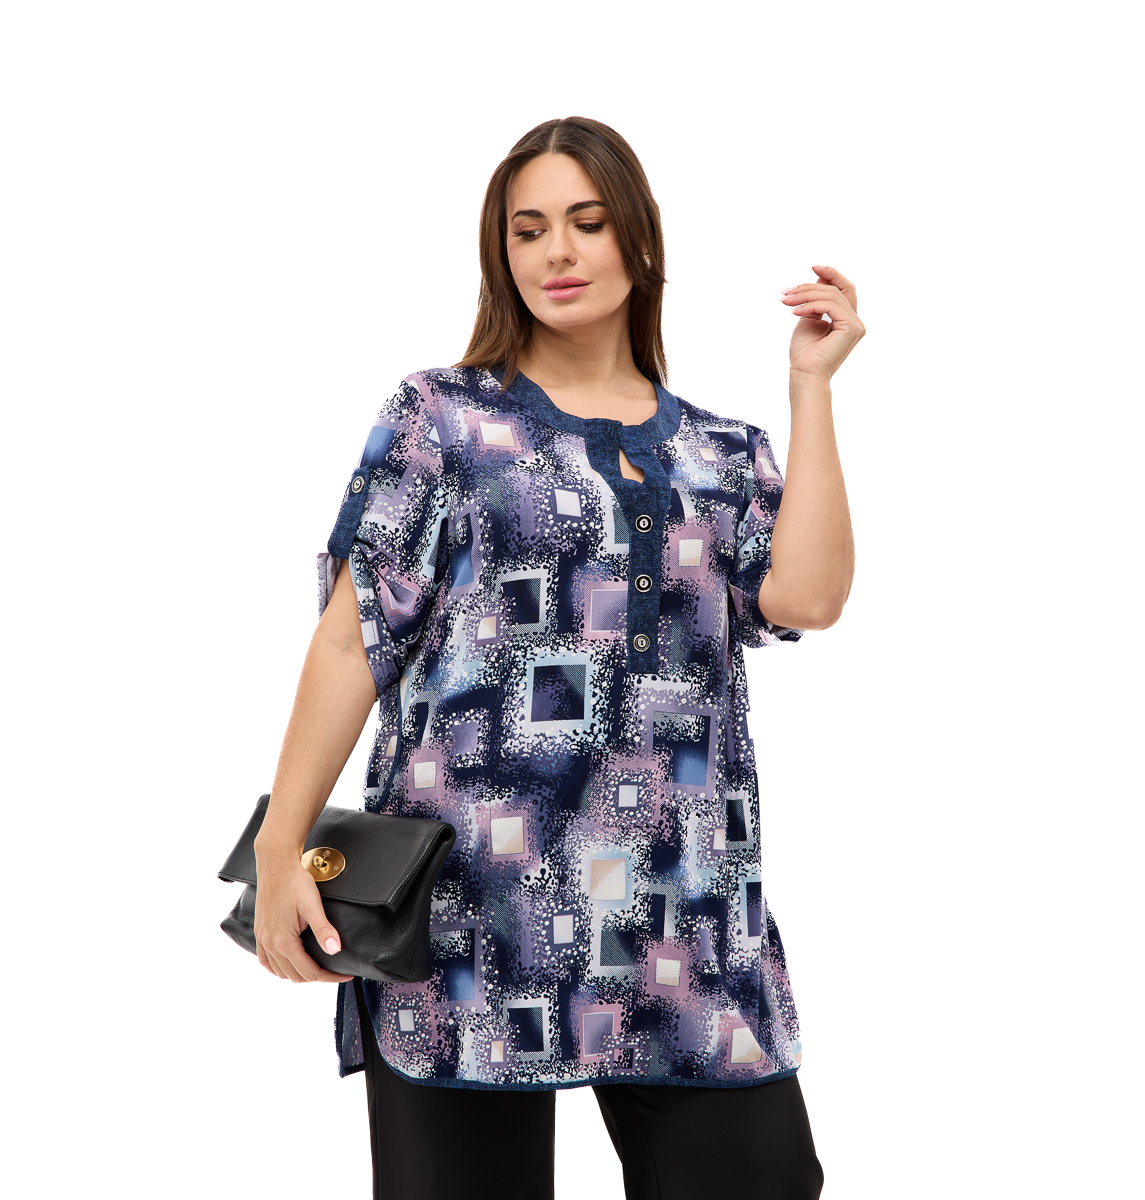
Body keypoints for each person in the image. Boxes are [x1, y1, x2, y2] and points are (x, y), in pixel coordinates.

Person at [250, 115, 862, 1200]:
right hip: (468, 921)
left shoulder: (721, 452)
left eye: (587, 222)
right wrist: (279, 848)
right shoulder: (442, 417)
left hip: (686, 919)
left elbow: (808, 597)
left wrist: (809, 388)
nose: (557, 253)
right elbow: (353, 636)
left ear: (640, 241)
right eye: (527, 231)